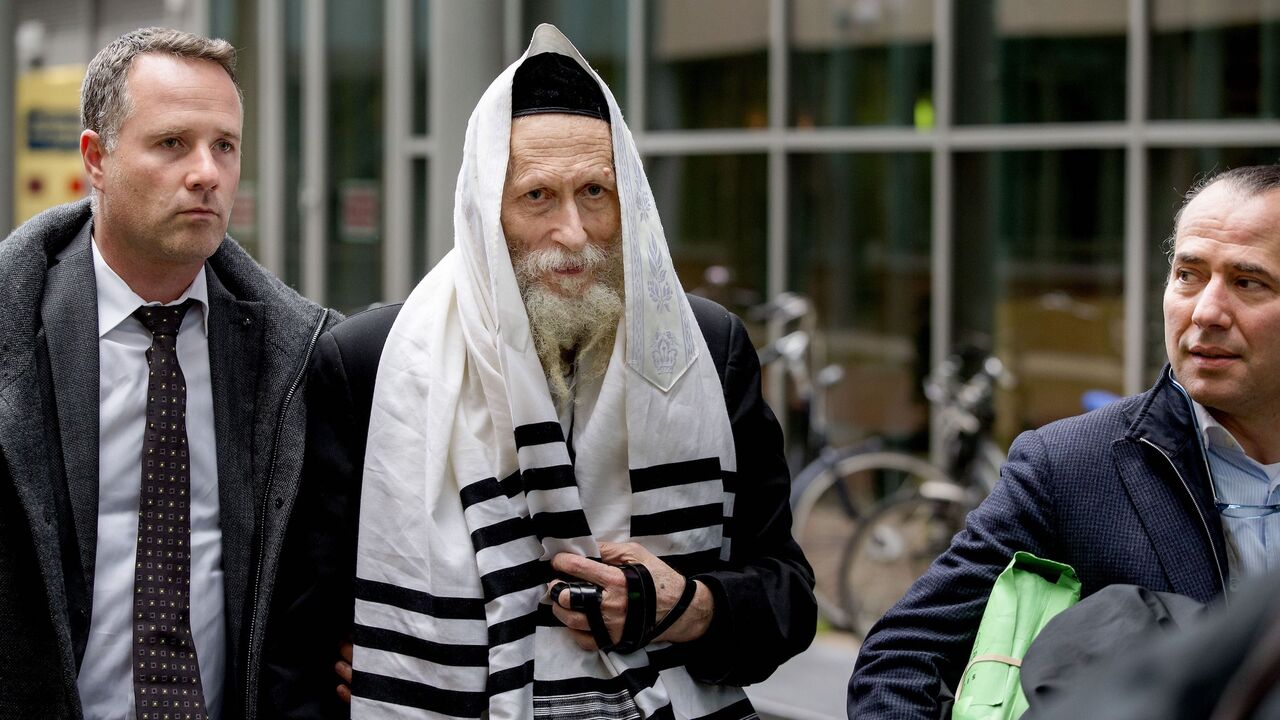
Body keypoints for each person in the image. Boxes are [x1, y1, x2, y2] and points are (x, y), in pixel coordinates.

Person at [265, 24, 815, 719]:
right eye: (536, 198)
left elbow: (788, 600)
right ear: (483, 214)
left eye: (595, 192)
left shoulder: (708, 350)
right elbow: (300, 645)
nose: (574, 233)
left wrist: (688, 606)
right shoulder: (371, 362)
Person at [849, 163, 1280, 718]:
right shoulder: (1072, 466)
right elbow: (901, 658)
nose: (1205, 312)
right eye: (1188, 275)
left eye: (1248, 282)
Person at [0, 27, 338, 719]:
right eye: (172, 144)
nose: (206, 173)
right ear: (97, 158)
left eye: (225, 146)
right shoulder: (14, 326)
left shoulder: (297, 355)